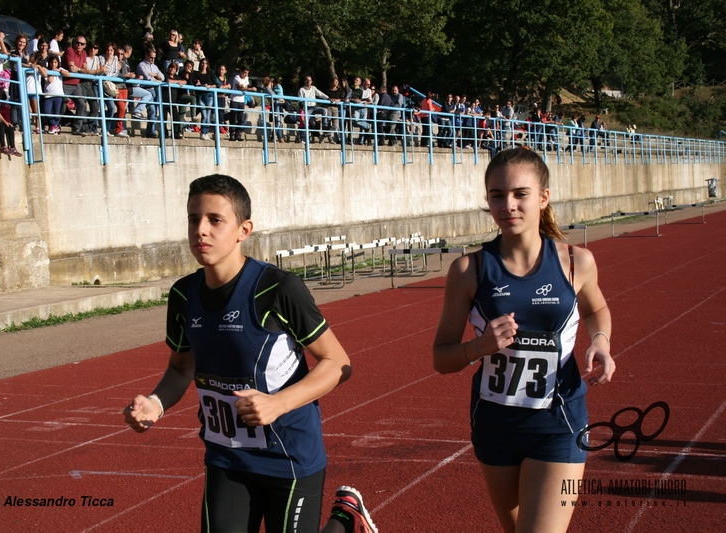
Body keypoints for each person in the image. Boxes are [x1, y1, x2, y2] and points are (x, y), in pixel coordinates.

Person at [123, 174, 377, 533]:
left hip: (288, 456)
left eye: (215, 220)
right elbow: (181, 369)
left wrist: (278, 403)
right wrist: (155, 403)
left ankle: (344, 522)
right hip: (227, 455)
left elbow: (339, 363)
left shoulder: (277, 289)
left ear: (244, 230)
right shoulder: (183, 295)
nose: (201, 230)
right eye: (194, 219)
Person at [432, 147, 615, 533]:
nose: (508, 205)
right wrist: (477, 348)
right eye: (497, 195)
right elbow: (441, 357)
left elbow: (597, 310)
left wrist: (600, 340)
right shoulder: (469, 270)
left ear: (543, 197)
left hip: (559, 421)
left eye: (520, 194)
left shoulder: (575, 262)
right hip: (495, 425)